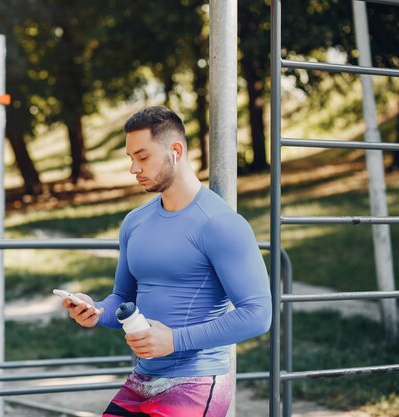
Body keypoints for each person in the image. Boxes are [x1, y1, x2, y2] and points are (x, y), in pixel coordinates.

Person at [60, 106, 272, 417]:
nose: (134, 168)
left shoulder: (220, 223)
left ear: (175, 150)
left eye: (143, 157)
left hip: (195, 382)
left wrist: (175, 339)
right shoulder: (135, 222)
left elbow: (258, 314)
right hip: (142, 380)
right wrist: (96, 311)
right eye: (131, 158)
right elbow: (122, 298)